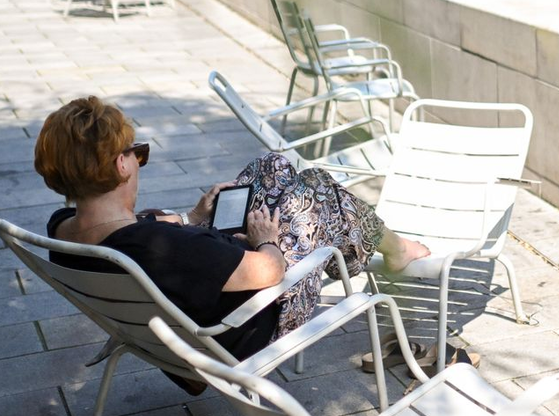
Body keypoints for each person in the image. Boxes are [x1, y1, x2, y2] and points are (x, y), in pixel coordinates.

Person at [33, 96, 430, 392]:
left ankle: (376, 241)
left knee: (271, 167)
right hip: (252, 323)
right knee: (318, 191)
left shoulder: (63, 228)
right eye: (138, 154)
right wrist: (266, 240)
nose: (138, 161)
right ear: (121, 165)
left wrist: (193, 220)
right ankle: (393, 249)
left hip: (189, 313)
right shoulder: (155, 245)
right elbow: (270, 272)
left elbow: (138, 236)